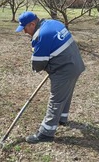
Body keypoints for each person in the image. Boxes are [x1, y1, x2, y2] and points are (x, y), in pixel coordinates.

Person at [15, 11, 85, 144]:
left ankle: (46, 133)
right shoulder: (53, 23)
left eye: (25, 28)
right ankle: (62, 119)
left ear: (32, 24)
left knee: (56, 100)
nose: (24, 32)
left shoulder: (41, 35)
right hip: (75, 63)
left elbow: (38, 65)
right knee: (66, 93)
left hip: (65, 69)